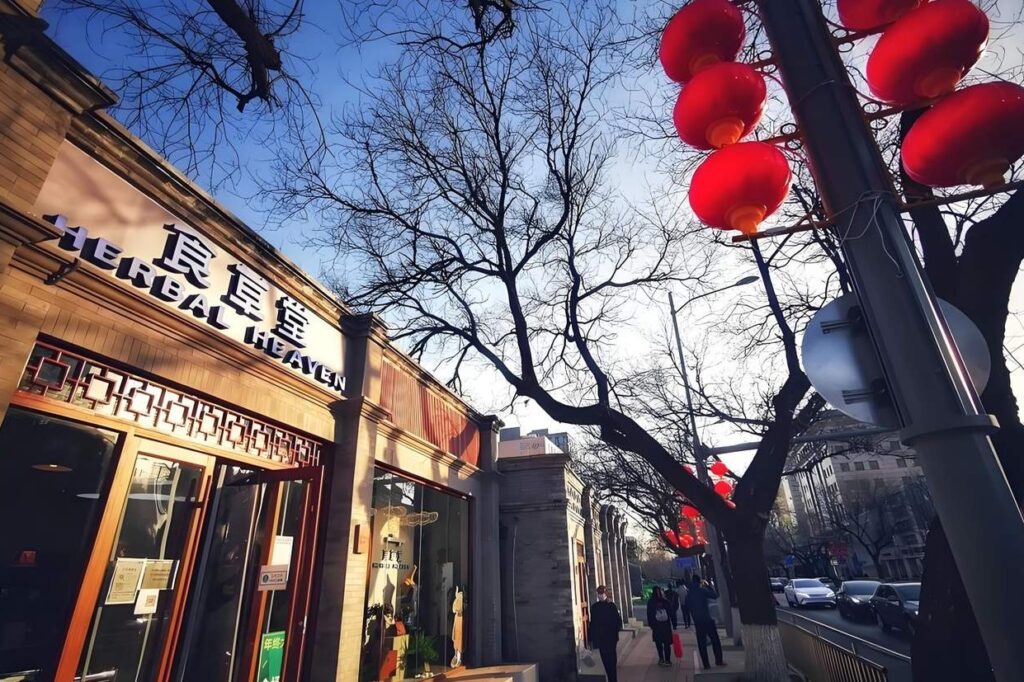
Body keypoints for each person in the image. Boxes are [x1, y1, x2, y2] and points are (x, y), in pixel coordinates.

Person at [684, 574, 725, 669]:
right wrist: (707, 585)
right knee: (715, 640)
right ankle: (719, 661)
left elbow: (686, 607)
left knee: (701, 643)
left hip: (698, 621)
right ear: (699, 582)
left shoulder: (689, 594)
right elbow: (714, 595)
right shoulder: (702, 590)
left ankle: (706, 664)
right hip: (707, 619)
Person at [588, 585, 622, 682]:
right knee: (605, 661)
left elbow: (617, 621)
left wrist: (615, 632)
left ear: (605, 593)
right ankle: (611, 678)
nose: (600, 595)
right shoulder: (595, 607)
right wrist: (592, 638)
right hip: (601, 639)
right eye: (599, 593)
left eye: (602, 593)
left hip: (611, 638)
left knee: (612, 661)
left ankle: (613, 679)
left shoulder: (611, 606)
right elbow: (593, 623)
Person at [646, 586, 674, 666]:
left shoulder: (651, 602)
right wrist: (674, 623)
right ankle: (667, 659)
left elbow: (649, 614)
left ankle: (661, 658)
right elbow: (671, 612)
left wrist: (651, 624)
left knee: (659, 643)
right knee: (666, 643)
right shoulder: (665, 601)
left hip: (657, 626)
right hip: (665, 625)